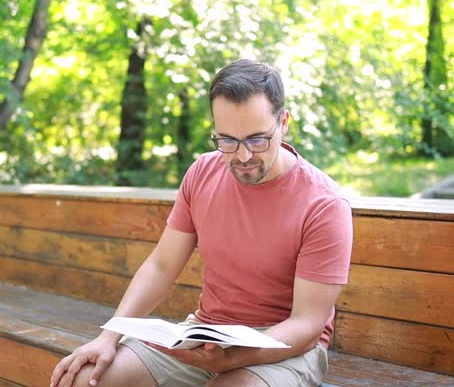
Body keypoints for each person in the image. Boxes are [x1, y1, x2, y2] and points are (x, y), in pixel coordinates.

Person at [50, 59, 353, 387]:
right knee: (83, 380)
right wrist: (109, 336)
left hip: (283, 350)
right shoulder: (203, 172)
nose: (242, 156)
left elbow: (307, 326)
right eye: (227, 140)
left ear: (284, 122)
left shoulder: (324, 204)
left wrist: (232, 359)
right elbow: (162, 266)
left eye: (257, 140)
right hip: (207, 336)